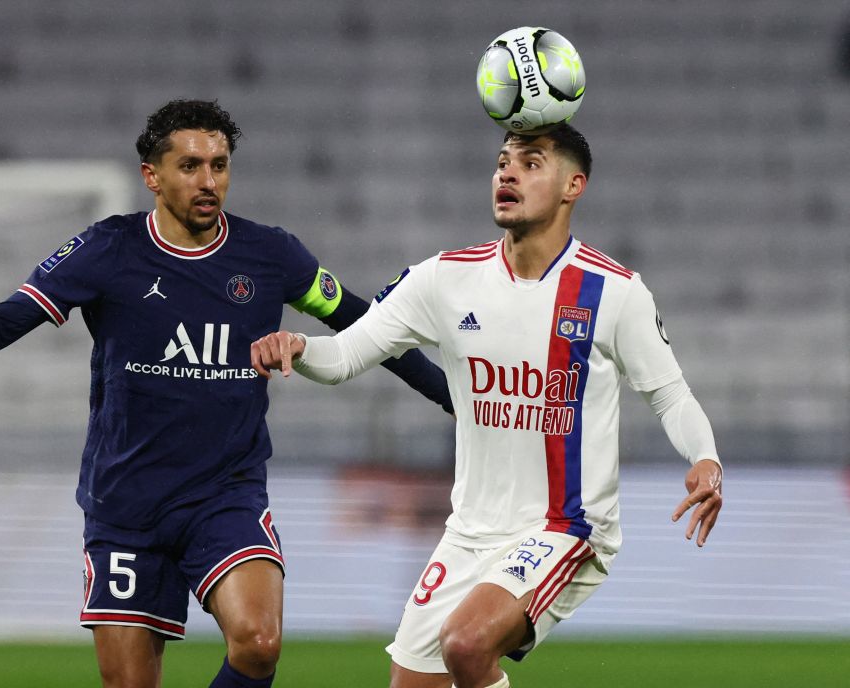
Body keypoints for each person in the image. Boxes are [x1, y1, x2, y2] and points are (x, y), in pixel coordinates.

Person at [0, 99, 453, 688]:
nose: (209, 182)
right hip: (126, 506)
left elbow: (370, 327)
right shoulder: (108, 250)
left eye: (220, 165)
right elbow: (15, 313)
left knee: (259, 643)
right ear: (151, 176)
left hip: (225, 496)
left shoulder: (271, 256)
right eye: (190, 166)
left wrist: (451, 397)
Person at [251, 123, 724, 688]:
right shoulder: (444, 279)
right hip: (469, 531)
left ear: (574, 185)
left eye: (530, 162)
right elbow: (347, 354)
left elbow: (669, 393)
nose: (507, 171)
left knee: (467, 644)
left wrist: (704, 457)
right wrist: (300, 349)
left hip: (565, 527)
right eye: (503, 161)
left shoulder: (613, 292)